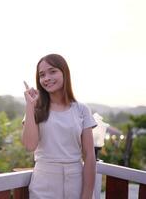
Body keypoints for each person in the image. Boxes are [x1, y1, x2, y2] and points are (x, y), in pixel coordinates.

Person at [22, 54, 97, 199]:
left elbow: (89, 156)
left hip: (77, 182)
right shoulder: (34, 109)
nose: (47, 78)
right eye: (42, 75)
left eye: (52, 71)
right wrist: (30, 106)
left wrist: (87, 195)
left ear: (64, 72)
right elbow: (30, 145)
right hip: (43, 184)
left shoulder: (82, 109)